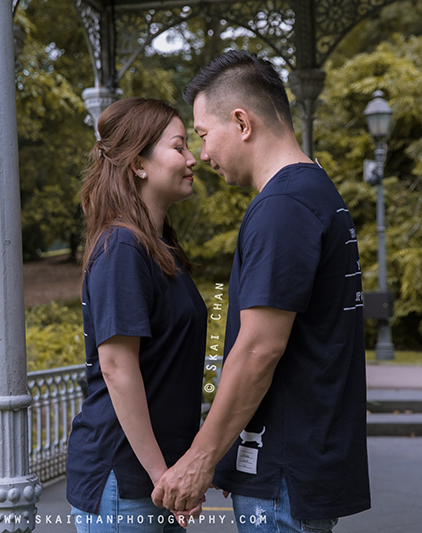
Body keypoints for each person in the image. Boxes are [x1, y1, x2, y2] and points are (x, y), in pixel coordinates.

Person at [151, 50, 371, 532]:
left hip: (283, 477)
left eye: (205, 135)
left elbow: (258, 349)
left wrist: (201, 459)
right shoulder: (316, 193)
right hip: (296, 465)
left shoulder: (283, 208)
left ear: (242, 122)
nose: (202, 154)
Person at [66, 97, 207, 532]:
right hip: (125, 481)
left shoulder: (159, 247)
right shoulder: (122, 247)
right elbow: (116, 368)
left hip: (153, 479)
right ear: (138, 164)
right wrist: (161, 475)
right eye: (179, 147)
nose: (193, 159)